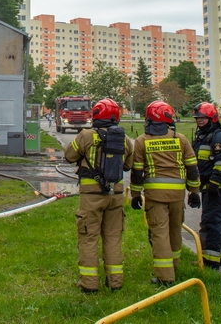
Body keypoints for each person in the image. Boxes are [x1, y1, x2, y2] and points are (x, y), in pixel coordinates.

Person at [64, 98, 134, 293]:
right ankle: (115, 282)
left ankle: (89, 284)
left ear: (95, 115)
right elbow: (128, 165)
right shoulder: (124, 139)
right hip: (116, 196)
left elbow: (69, 156)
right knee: (113, 238)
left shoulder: (86, 135)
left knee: (89, 238)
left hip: (92, 196)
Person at [130, 101, 200, 286]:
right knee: (174, 230)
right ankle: (174, 267)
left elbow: (137, 172)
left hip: (155, 196)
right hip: (178, 196)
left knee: (159, 233)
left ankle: (165, 277)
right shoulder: (181, 139)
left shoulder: (142, 141)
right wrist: (194, 192)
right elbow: (192, 168)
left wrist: (135, 195)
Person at [191, 102, 221, 269]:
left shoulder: (219, 137)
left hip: (220, 186)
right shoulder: (203, 137)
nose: (199, 121)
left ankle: (210, 261)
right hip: (211, 186)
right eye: (197, 118)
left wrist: (214, 183)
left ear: (212, 118)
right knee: (220, 220)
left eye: (203, 118)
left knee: (211, 222)